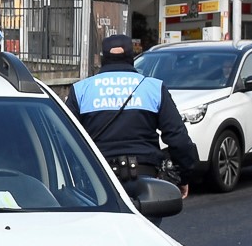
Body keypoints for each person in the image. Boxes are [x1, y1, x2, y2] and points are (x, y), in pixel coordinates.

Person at [68, 34, 197, 204]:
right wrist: (183, 177)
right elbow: (178, 139)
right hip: (145, 182)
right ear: (132, 57)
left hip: (98, 182)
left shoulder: (81, 90)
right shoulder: (153, 88)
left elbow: (65, 138)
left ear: (102, 58)